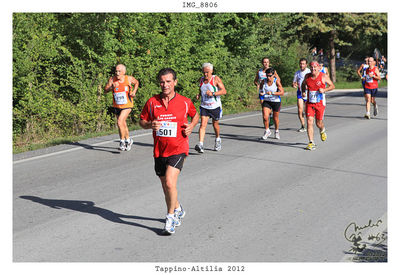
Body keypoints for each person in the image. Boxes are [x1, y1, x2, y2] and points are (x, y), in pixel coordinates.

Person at [139, 68, 199, 235]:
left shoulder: (185, 102)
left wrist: (192, 126)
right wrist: (150, 125)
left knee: (170, 183)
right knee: (166, 187)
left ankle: (170, 218)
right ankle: (178, 208)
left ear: (175, 82)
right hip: (159, 151)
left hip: (179, 148)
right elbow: (142, 121)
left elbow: (195, 115)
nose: (164, 85)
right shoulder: (152, 102)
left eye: (168, 81)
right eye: (162, 82)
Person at [104, 64, 139, 151]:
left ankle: (122, 141)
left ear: (124, 72)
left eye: (119, 71)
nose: (117, 73)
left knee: (120, 121)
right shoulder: (112, 79)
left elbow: (137, 82)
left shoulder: (128, 78)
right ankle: (128, 140)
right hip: (117, 105)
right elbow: (105, 90)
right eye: (116, 71)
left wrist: (134, 91)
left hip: (127, 105)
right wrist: (112, 87)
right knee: (122, 124)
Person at [301, 61, 335, 150]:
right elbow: (303, 84)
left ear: (318, 68)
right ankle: (311, 142)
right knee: (309, 121)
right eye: (311, 67)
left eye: (315, 67)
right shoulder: (307, 76)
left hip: (320, 103)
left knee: (318, 123)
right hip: (309, 103)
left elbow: (332, 86)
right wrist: (303, 91)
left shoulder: (323, 76)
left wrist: (324, 89)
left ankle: (322, 129)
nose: (313, 69)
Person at [195, 63, 227, 153]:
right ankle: (200, 144)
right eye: (204, 72)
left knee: (215, 124)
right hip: (204, 106)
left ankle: (217, 139)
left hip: (215, 106)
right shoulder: (201, 80)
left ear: (211, 71)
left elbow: (224, 91)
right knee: (202, 125)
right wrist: (199, 94)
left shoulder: (215, 79)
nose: (205, 74)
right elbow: (201, 90)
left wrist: (213, 93)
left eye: (207, 72)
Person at [260, 67, 285, 140]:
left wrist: (273, 93)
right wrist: (261, 92)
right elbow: (261, 89)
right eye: (267, 76)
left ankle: (276, 131)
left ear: (273, 75)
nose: (268, 77)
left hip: (276, 101)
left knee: (275, 118)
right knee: (265, 117)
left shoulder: (276, 81)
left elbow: (282, 92)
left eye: (270, 76)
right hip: (267, 101)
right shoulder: (263, 81)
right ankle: (267, 131)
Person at [292, 58, 311, 132]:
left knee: (307, 110)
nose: (302, 65)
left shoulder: (309, 71)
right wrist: (294, 85)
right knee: (300, 110)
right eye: (301, 63)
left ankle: (309, 123)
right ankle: (303, 126)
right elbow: (294, 82)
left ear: (306, 64)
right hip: (300, 92)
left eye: (303, 64)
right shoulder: (297, 73)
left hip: (308, 93)